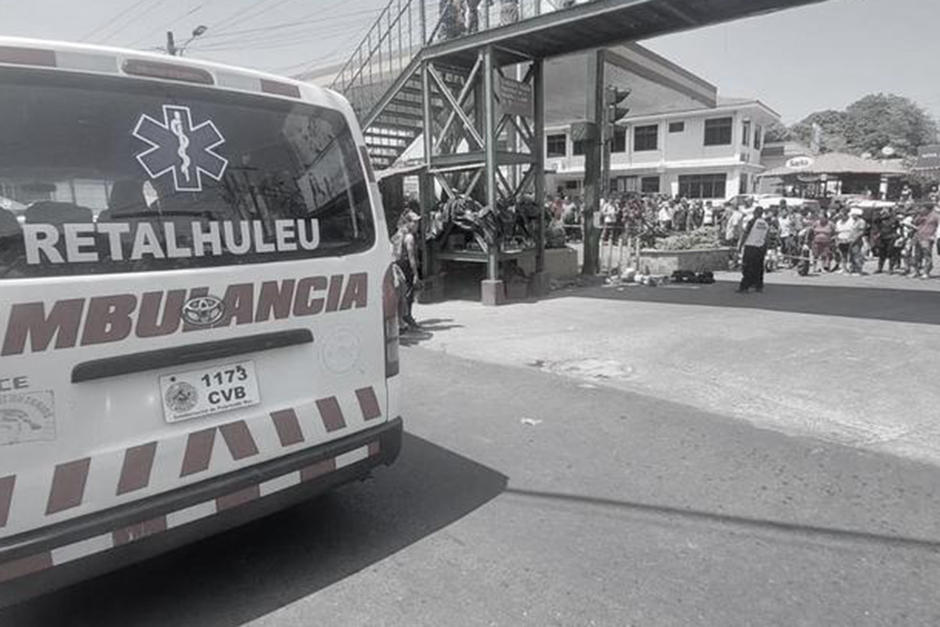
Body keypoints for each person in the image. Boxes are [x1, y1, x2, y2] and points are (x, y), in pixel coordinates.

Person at [392, 210, 421, 331]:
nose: (417, 225)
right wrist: (415, 274)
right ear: (408, 223)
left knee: (402, 294)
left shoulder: (399, 234)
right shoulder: (409, 237)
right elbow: (411, 257)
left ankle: (402, 319)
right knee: (408, 294)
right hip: (406, 267)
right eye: (414, 222)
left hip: (398, 266)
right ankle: (407, 317)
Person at [737, 206, 770, 293]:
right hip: (760, 248)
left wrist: (740, 246)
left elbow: (745, 234)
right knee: (759, 268)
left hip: (750, 247)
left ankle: (745, 287)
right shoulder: (765, 223)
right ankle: (759, 286)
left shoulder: (752, 222)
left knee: (747, 267)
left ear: (755, 213)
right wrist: (765, 248)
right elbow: (767, 237)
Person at [911, 202, 939, 279]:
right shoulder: (921, 215)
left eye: (923, 208)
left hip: (927, 238)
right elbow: (914, 223)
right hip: (918, 236)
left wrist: (934, 236)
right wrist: (919, 217)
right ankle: (916, 271)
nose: (921, 209)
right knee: (916, 255)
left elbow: (939, 227)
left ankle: (926, 272)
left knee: (927, 256)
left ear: (928, 208)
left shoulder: (936, 216)